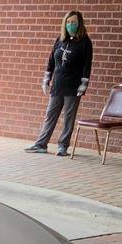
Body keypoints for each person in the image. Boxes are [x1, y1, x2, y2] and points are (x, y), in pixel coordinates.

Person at [26, 10, 94, 156]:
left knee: (68, 117)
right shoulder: (60, 39)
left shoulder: (85, 42)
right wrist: (46, 79)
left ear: (79, 23)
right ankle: (41, 144)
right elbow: (51, 60)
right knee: (50, 115)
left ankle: (63, 146)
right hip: (58, 84)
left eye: (74, 22)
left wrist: (84, 84)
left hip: (73, 86)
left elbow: (87, 65)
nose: (70, 25)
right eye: (68, 22)